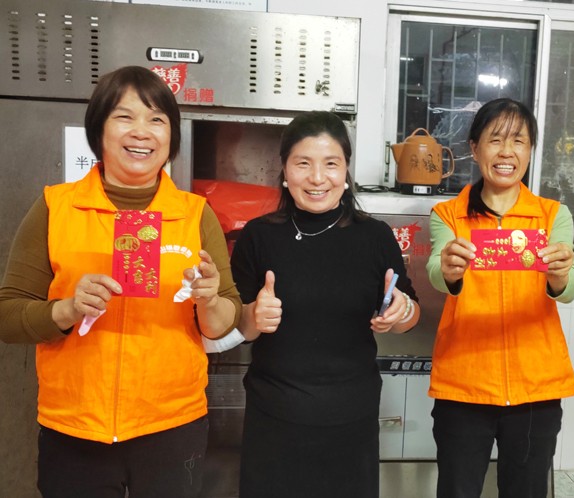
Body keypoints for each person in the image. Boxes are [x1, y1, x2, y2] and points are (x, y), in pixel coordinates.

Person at [0, 66, 242, 497]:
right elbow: (8, 314)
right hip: (74, 427)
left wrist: (208, 300)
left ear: (171, 136)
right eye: (124, 116)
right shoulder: (56, 207)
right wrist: (67, 309)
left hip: (172, 425)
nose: (141, 132)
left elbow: (224, 321)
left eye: (156, 119)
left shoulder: (194, 215)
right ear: (99, 129)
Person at [230, 110, 420, 498]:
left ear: (346, 170)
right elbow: (238, 329)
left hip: (351, 421)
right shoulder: (258, 236)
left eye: (331, 164)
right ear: (285, 170)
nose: (318, 178)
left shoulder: (374, 236)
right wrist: (252, 316)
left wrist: (402, 311)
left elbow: (409, 313)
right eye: (303, 163)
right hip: (274, 420)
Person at [426, 98, 574, 498]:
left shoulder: (553, 215)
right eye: (495, 140)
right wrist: (449, 269)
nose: (507, 152)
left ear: (530, 151)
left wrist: (560, 275)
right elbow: (436, 273)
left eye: (519, 141)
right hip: (464, 385)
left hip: (536, 388)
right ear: (475, 148)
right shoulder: (448, 214)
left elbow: (571, 287)